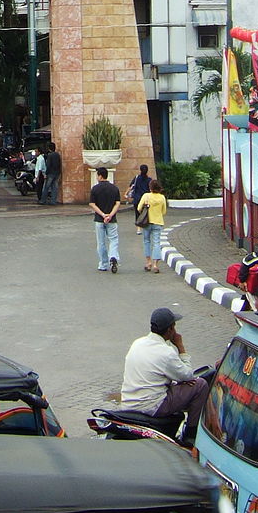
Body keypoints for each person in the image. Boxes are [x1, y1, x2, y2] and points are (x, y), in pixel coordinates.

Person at [118, 307, 209, 448]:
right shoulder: (166, 353)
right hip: (152, 406)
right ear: (169, 330)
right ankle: (191, 435)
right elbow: (187, 375)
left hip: (128, 402)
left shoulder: (137, 343)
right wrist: (181, 347)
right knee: (201, 385)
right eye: (174, 327)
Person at [89, 167, 122, 273]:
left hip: (99, 219)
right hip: (112, 219)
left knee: (101, 242)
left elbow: (92, 204)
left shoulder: (95, 189)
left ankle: (103, 263)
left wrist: (103, 215)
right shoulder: (114, 188)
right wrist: (110, 215)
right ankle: (113, 256)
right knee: (113, 240)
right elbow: (117, 203)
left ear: (100, 176)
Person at [137, 177, 168, 272]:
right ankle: (155, 264)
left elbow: (138, 208)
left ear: (150, 188)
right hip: (158, 222)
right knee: (156, 243)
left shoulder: (146, 196)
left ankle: (148, 262)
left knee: (146, 241)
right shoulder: (162, 197)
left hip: (147, 222)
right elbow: (164, 211)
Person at [43, 141, 63, 205]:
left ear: (49, 148)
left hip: (50, 173)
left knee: (47, 187)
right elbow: (60, 164)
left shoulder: (50, 155)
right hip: (57, 173)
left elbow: (48, 165)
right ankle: (53, 201)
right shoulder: (57, 155)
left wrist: (46, 173)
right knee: (55, 187)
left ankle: (43, 200)